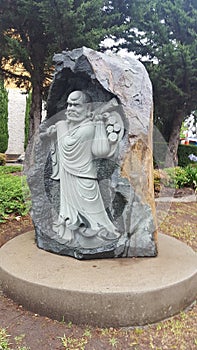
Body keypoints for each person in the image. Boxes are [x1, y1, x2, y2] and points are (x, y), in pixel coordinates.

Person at [45, 91, 120, 246]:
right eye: (69, 104)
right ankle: (71, 231)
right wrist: (53, 132)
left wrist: (60, 126)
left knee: (93, 214)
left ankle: (98, 235)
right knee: (70, 213)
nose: (71, 108)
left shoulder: (88, 127)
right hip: (68, 177)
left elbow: (68, 145)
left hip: (84, 178)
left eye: (76, 105)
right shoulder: (75, 125)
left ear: (88, 108)